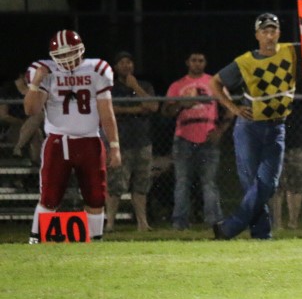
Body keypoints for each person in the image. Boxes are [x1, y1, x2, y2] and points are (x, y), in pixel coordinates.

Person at [23, 29, 122, 243]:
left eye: (71, 53)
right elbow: (31, 110)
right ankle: (36, 240)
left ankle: (94, 241)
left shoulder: (97, 69)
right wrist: (36, 82)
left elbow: (106, 111)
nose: (67, 59)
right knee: (49, 197)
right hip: (59, 141)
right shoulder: (45, 70)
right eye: (62, 55)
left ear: (81, 50)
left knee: (96, 197)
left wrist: (114, 145)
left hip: (90, 140)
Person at [209, 12, 297, 240]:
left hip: (276, 128)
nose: (269, 36)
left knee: (268, 184)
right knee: (252, 184)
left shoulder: (291, 51)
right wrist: (233, 108)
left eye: (273, 30)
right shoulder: (245, 62)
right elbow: (215, 82)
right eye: (264, 31)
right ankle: (261, 234)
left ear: (279, 33)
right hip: (250, 128)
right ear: (257, 35)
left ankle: (230, 228)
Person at [163, 51, 228, 230]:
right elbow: (166, 111)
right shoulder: (177, 85)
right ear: (188, 62)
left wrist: (220, 130)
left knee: (209, 183)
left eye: (201, 60)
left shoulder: (214, 83)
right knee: (182, 182)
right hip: (183, 137)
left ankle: (214, 222)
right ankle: (180, 222)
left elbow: (230, 108)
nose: (197, 63)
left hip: (208, 137)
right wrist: (180, 104)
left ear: (205, 63)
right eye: (194, 60)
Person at [106, 51, 157, 231]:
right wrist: (137, 109)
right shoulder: (110, 88)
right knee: (115, 185)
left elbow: (153, 106)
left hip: (143, 142)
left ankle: (142, 223)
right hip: (120, 143)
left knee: (141, 185)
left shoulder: (144, 85)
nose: (126, 65)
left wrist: (135, 87)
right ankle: (110, 223)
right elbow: (110, 110)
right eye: (122, 62)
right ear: (115, 67)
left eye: (129, 62)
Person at [272, 102, 302, 230]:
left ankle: (293, 222)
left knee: (295, 183)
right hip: (275, 139)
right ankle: (277, 223)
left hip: (297, 141)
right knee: (276, 184)